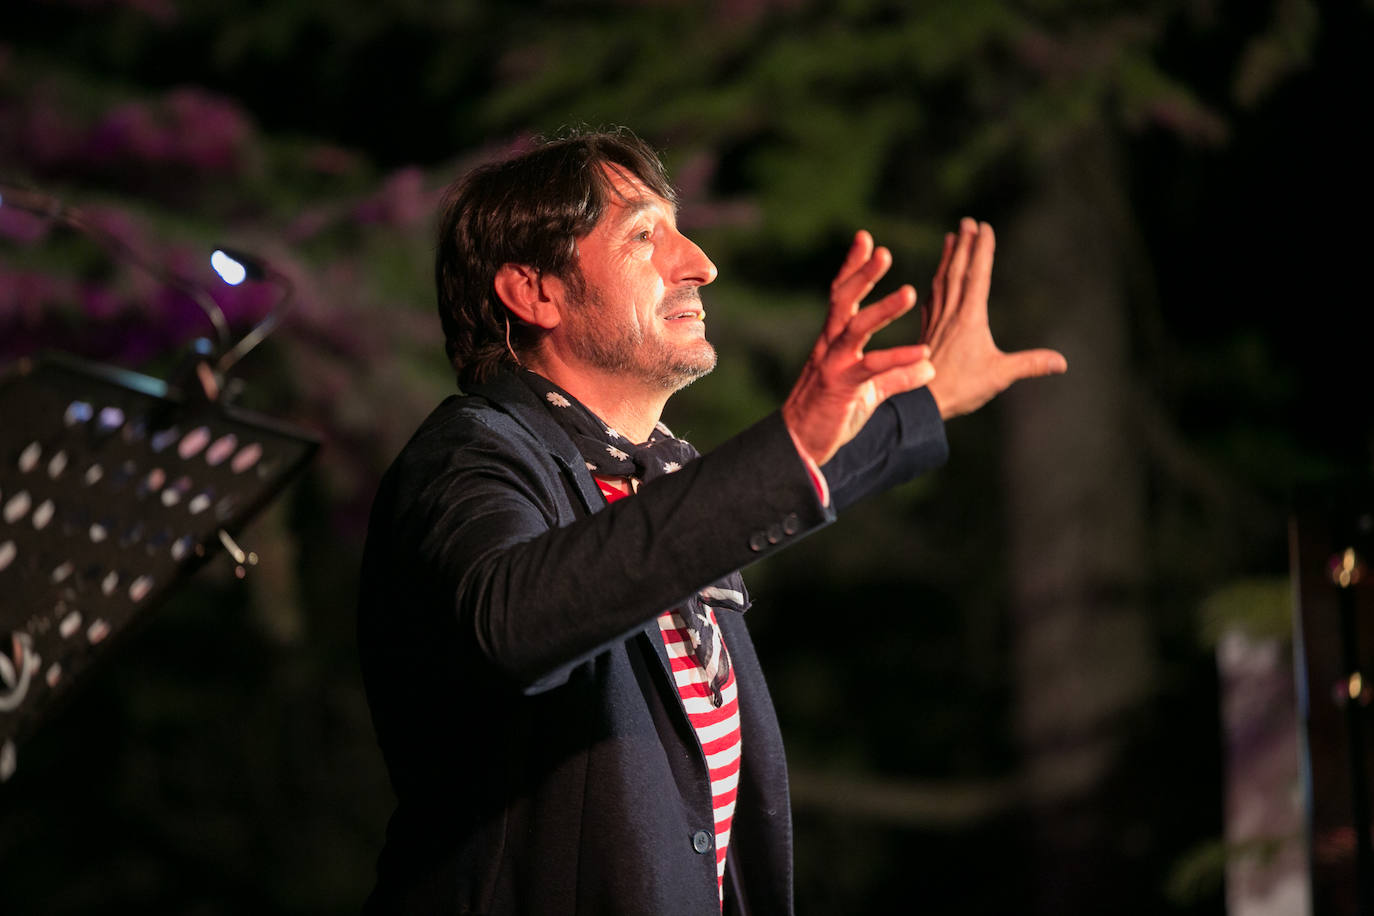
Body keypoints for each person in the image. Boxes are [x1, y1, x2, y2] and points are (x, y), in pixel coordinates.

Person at [357, 128, 1066, 915]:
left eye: (677, 225)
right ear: (535, 293)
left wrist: (924, 405)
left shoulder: (648, 475)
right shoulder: (469, 456)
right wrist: (792, 441)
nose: (699, 262)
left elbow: (723, 510)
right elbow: (511, 618)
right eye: (641, 234)